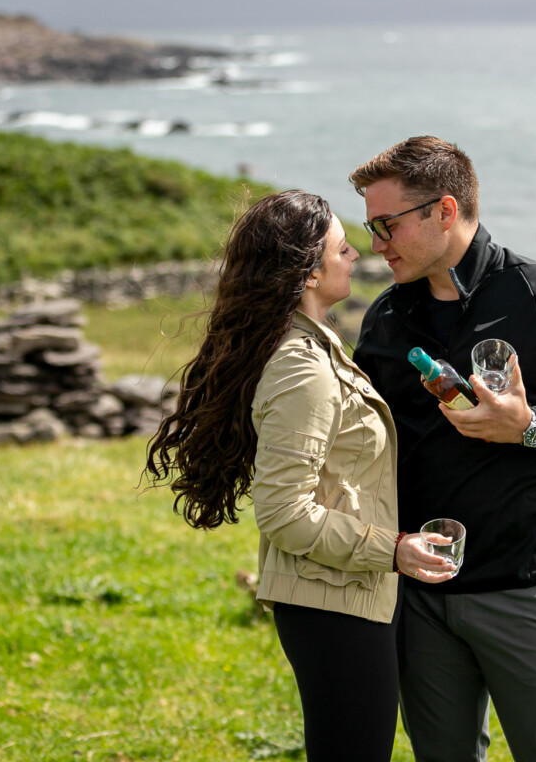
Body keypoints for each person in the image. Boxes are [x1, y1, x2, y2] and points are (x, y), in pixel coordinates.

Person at [349, 137, 536, 762]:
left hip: (525, 590)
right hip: (420, 593)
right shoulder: (385, 319)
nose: (377, 244)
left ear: (444, 211)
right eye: (371, 228)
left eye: (387, 225)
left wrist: (529, 426)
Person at [144, 190, 454, 762]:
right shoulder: (301, 367)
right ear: (309, 272)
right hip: (333, 604)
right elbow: (284, 511)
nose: (358, 254)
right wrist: (392, 550)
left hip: (340, 595)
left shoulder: (311, 345)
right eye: (342, 247)